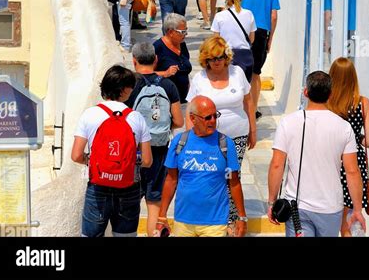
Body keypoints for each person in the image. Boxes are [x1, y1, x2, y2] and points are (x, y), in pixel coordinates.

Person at [267, 71, 366, 238]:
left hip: (298, 208)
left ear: (306, 92)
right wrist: (357, 209)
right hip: (330, 208)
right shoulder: (344, 127)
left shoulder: (288, 122)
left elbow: (277, 164)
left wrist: (271, 201)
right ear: (331, 94)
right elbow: (352, 171)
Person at [71, 65, 152, 237]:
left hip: (98, 186)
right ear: (123, 90)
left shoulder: (89, 114)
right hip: (128, 187)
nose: (132, 90)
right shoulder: (136, 117)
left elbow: (76, 155)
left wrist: (91, 161)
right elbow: (147, 160)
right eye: (131, 87)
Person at [186, 37, 256, 232]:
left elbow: (248, 102)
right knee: (213, 175)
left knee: (232, 176)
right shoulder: (199, 78)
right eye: (212, 58)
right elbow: (190, 109)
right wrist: (188, 136)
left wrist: (253, 130)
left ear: (227, 56)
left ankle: (232, 218)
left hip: (237, 135)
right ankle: (214, 215)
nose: (217, 61)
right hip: (209, 137)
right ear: (205, 59)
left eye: (221, 57)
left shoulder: (238, 72)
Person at [156, 96, 248, 238]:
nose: (213, 121)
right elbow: (171, 180)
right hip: (183, 221)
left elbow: (233, 182)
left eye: (215, 116)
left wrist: (241, 217)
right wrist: (162, 216)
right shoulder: (179, 142)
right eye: (207, 117)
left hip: (215, 223)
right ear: (193, 119)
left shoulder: (225, 144)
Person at [126, 42, 184, 237]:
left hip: (134, 154)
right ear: (156, 59)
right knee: (154, 206)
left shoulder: (129, 85)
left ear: (134, 61)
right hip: (159, 151)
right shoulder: (168, 85)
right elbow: (178, 120)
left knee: (130, 205)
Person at [328, 57, 369, 237]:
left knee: (334, 220)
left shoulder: (328, 103)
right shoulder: (363, 103)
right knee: (350, 222)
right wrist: (357, 136)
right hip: (355, 164)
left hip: (333, 161)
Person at [235, 0, 280, 119]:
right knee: (255, 73)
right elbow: (273, 16)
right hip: (261, 32)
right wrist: (270, 40)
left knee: (238, 70)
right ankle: (253, 110)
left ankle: (240, 107)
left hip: (241, 30)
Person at [211, 0, 256, 83]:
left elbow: (216, 40)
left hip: (227, 55)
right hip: (245, 56)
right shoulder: (249, 14)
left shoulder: (219, 16)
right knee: (244, 88)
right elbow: (252, 39)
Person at [153, 13, 192, 103]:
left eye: (186, 30)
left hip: (184, 100)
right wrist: (165, 73)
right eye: (182, 32)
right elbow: (146, 74)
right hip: (166, 101)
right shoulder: (157, 48)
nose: (186, 34)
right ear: (170, 32)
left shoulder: (182, 45)